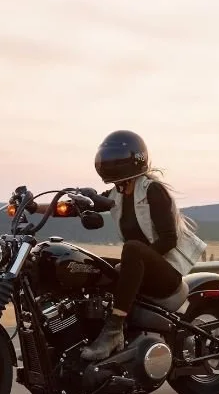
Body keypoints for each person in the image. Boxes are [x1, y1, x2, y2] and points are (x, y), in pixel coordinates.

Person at [74, 130, 207, 360]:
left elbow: (169, 239)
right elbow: (80, 207)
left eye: (116, 157)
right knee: (95, 266)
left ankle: (113, 331)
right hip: (145, 269)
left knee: (133, 249)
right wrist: (34, 208)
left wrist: (140, 262)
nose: (110, 162)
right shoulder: (119, 192)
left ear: (132, 159)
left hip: (166, 275)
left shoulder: (152, 191)